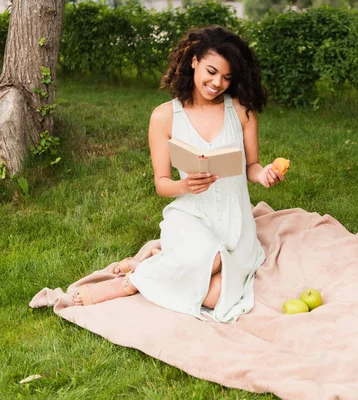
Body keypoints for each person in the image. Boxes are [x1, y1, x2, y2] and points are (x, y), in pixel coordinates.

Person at [72, 25, 284, 323]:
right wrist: (185, 185)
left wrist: (264, 175)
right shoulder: (164, 116)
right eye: (211, 72)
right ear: (194, 60)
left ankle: (150, 266)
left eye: (226, 77)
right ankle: (128, 283)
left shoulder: (241, 111)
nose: (217, 83)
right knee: (211, 261)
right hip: (191, 216)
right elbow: (162, 184)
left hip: (235, 222)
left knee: (216, 297)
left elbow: (252, 166)